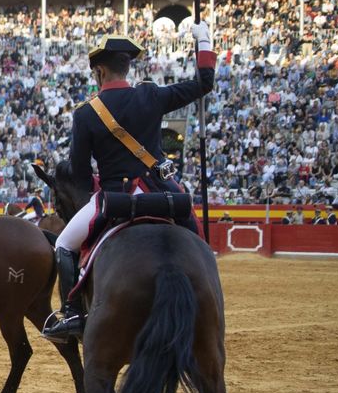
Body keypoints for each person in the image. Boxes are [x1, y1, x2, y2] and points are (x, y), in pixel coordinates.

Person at [42, 24, 216, 342]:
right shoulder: (150, 95)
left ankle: (72, 316)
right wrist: (203, 41)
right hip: (162, 190)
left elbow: (80, 176)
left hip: (114, 197)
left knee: (64, 245)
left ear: (98, 71)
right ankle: (211, 297)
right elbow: (204, 83)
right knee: (200, 244)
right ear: (127, 67)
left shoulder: (86, 114)